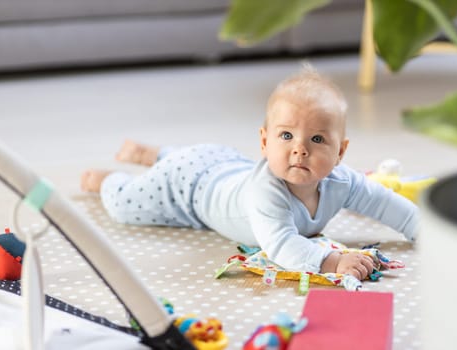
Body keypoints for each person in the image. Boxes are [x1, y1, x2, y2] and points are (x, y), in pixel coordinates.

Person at [81, 65, 418, 281]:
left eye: (317, 139)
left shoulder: (342, 181)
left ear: (340, 152)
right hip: (187, 186)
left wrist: (422, 228)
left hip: (225, 165)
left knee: (195, 163)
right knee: (127, 207)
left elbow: (384, 202)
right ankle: (111, 180)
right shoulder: (266, 191)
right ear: (264, 140)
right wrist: (332, 262)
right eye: (286, 136)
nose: (300, 149)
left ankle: (154, 154)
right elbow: (282, 245)